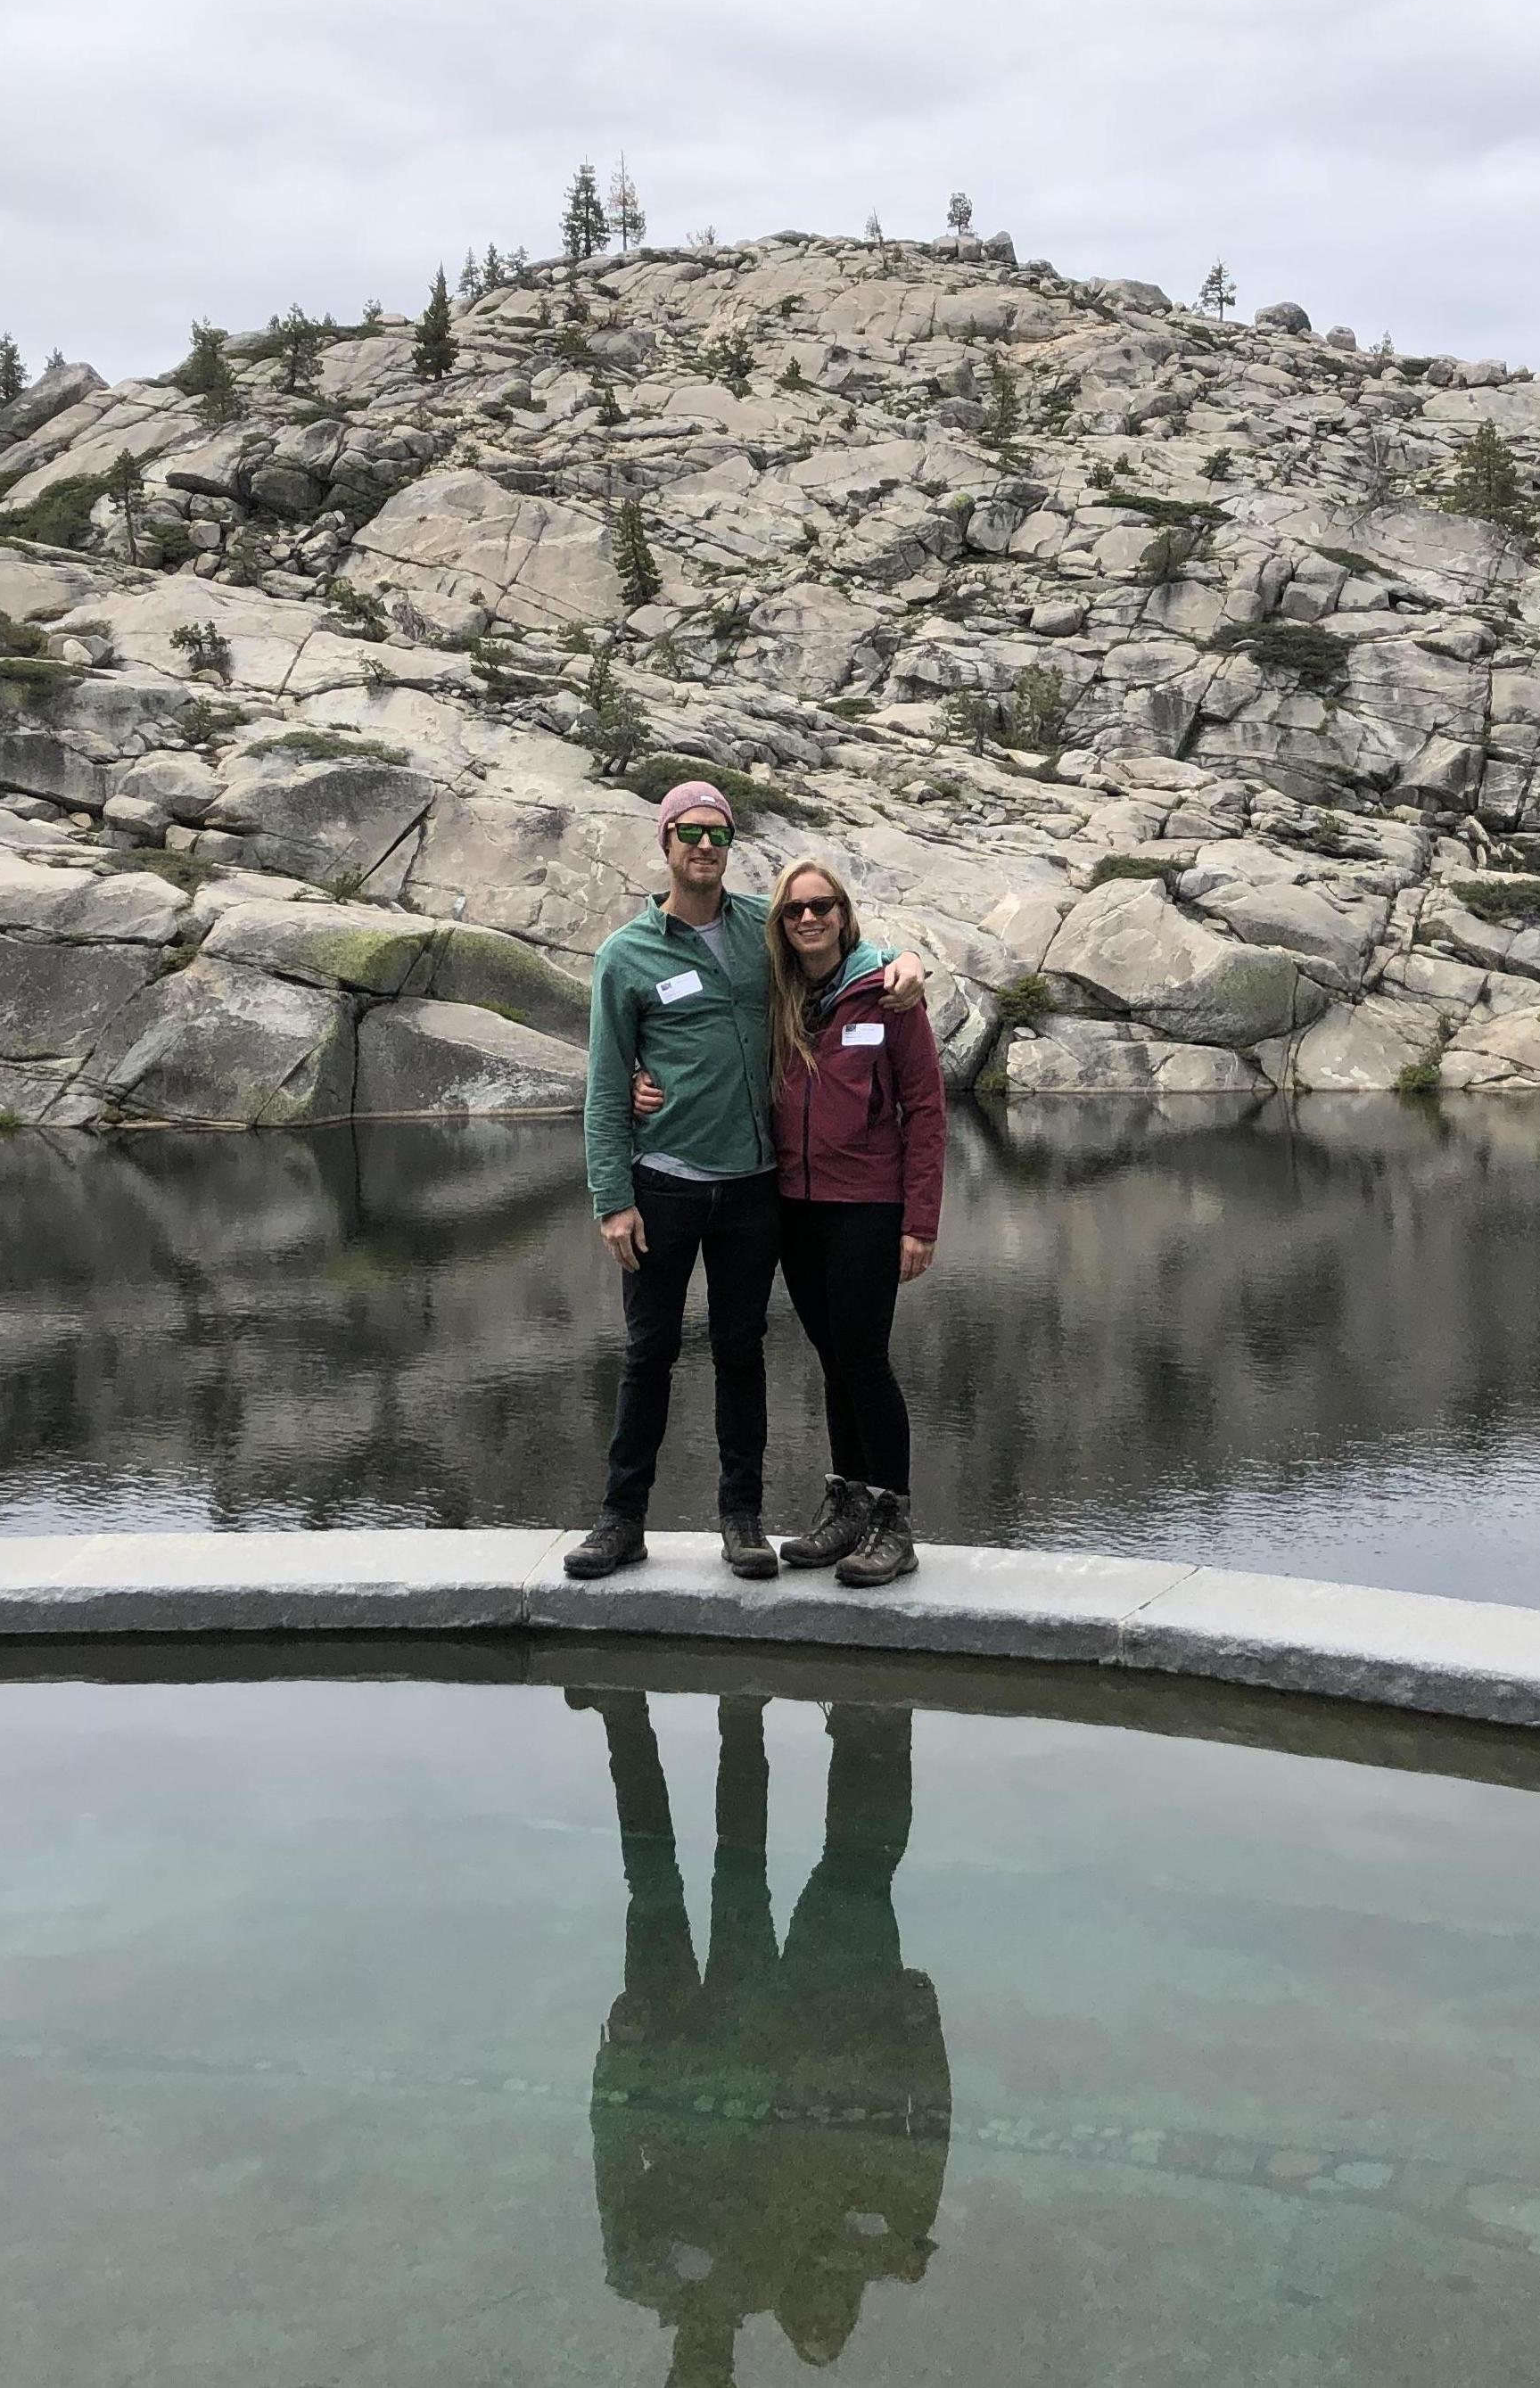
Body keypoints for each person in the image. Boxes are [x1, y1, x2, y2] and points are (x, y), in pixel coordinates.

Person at [570, 782, 924, 1584]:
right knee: (647, 1354)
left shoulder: (763, 928)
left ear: (730, 845)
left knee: (741, 1353)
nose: (704, 846)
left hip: (755, 1189)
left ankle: (742, 1520)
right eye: (689, 832)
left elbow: (837, 938)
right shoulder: (625, 954)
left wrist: (902, 959)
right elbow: (605, 1082)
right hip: (661, 1184)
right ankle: (621, 1520)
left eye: (718, 834)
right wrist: (611, 1199)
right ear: (664, 841)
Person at [575, 1686, 946, 2385]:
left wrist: (619, 2060)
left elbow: (613, 2158)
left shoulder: (636, 2276)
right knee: (739, 1876)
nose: (703, 2367)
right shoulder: (763, 2278)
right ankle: (740, 1714)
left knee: (655, 1881)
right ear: (731, 2376)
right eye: (715, 2382)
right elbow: (797, 2171)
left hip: (664, 2053)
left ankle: (629, 1715)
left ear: (671, 2376)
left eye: (688, 2382)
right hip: (750, 2041)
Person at [761, 855, 944, 1588]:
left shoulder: (888, 994)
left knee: (864, 1357)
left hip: (868, 1205)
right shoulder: (776, 994)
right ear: (780, 923)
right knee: (833, 1357)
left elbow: (925, 1110)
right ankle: (849, 1503)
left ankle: (893, 1520)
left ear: (843, 913)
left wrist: (920, 1221)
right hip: (794, 1207)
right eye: (794, 909)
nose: (809, 918)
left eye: (822, 905)